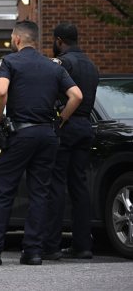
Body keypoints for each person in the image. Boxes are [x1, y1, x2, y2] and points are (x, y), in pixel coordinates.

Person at [0, 20, 82, 267]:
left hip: (20, 134)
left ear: (16, 39)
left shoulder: (9, 62)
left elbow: (1, 91)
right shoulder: (53, 66)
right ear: (34, 40)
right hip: (47, 135)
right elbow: (77, 95)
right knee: (40, 193)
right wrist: (61, 120)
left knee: (5, 190)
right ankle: (33, 252)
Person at [43, 23, 99, 261]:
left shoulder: (63, 63)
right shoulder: (91, 65)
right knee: (79, 186)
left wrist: (62, 119)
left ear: (59, 40)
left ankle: (52, 246)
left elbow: (54, 94)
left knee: (56, 185)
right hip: (85, 125)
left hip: (66, 125)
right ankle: (83, 245)